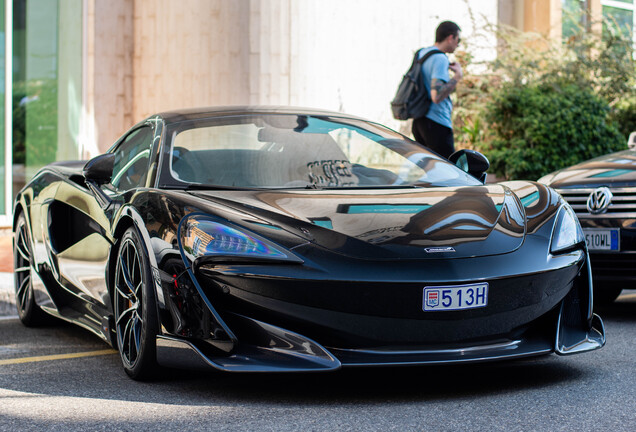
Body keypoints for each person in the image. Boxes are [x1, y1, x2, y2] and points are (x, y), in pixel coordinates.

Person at [412, 21, 462, 159]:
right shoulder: (440, 58)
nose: (458, 45)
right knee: (448, 173)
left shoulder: (422, 53)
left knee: (428, 172)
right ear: (450, 37)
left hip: (419, 121)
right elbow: (437, 95)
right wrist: (457, 77)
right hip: (436, 122)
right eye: (458, 40)